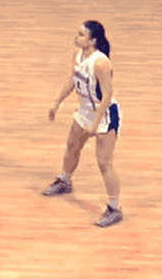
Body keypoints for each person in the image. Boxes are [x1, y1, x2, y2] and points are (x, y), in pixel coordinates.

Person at [42, 20, 123, 228]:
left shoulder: (100, 63)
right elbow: (73, 80)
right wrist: (57, 103)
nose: (76, 38)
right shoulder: (78, 55)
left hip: (104, 114)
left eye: (81, 35)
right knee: (72, 146)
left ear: (92, 41)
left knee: (104, 163)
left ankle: (114, 208)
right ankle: (65, 180)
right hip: (85, 110)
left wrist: (95, 124)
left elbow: (107, 96)